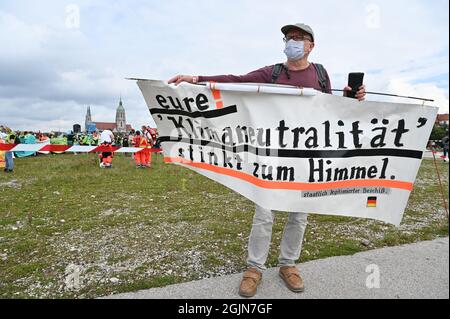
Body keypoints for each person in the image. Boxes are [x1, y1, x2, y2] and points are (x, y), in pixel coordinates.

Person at [169, 23, 366, 297]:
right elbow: (234, 81)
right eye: (288, 38)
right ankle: (254, 268)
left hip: (306, 156)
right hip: (272, 155)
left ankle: (288, 264)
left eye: (299, 38)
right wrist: (196, 78)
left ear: (311, 45)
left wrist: (350, 98)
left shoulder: (321, 74)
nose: (292, 42)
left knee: (299, 215)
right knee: (263, 214)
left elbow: (329, 110)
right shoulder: (272, 73)